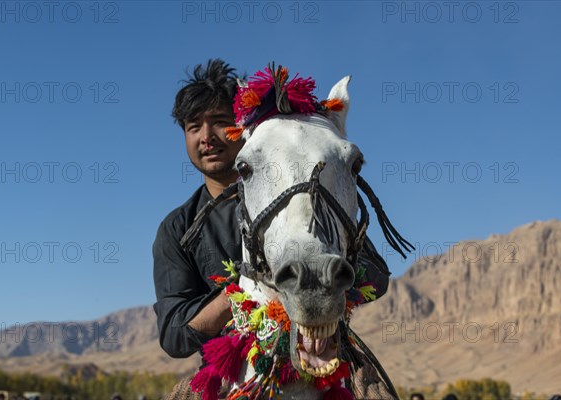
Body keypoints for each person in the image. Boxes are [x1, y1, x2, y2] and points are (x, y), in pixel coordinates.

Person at [152, 59, 392, 359]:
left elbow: (377, 277)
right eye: (193, 127)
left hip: (329, 356)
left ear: (243, 128)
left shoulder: (300, 195)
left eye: (218, 121)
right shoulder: (177, 228)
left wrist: (323, 271)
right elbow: (175, 335)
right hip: (227, 374)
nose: (206, 137)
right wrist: (250, 284)